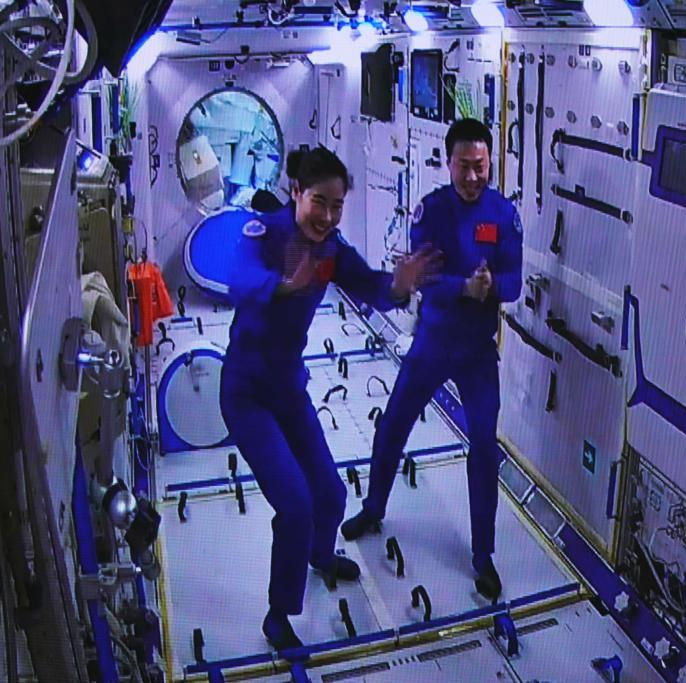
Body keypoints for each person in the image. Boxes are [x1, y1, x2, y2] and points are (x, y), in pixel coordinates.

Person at [221, 146, 441, 650]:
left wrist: (399, 287)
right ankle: (278, 614)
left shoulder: (331, 251)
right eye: (319, 201)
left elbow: (371, 287)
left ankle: (320, 555)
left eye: (337, 205)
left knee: (331, 494)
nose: (327, 215)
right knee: (296, 505)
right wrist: (283, 285)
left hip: (288, 390)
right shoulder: (265, 233)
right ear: (296, 192)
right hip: (247, 395)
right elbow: (240, 281)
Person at [340, 118, 523, 601]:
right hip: (433, 342)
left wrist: (492, 286)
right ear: (449, 163)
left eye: (480, 166)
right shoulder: (432, 211)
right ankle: (373, 508)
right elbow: (421, 278)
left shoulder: (503, 215)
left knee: (483, 444)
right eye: (464, 166)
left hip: (477, 352)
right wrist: (464, 287)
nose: (472, 176)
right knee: (393, 423)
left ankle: (482, 555)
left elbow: (515, 281)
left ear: (490, 163)